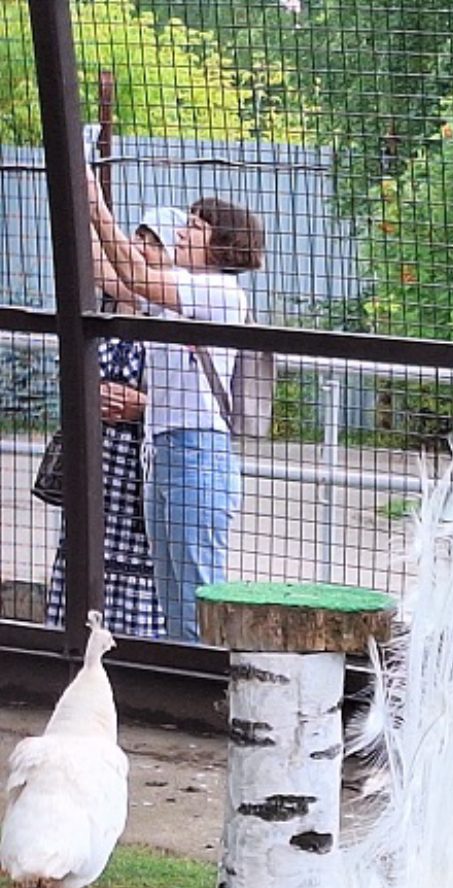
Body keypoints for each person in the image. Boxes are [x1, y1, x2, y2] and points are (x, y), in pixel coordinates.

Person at [84, 181, 265, 643]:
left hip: (198, 455)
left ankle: (201, 697)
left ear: (223, 245)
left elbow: (137, 276)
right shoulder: (177, 292)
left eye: (195, 227)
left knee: (194, 601)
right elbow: (115, 274)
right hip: (163, 452)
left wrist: (98, 208)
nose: (182, 233)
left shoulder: (221, 294)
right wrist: (80, 209)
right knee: (172, 598)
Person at [43, 212, 187, 641]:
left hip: (142, 466)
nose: (142, 248)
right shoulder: (100, 316)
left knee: (145, 560)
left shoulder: (171, 316)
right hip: (96, 462)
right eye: (138, 237)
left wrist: (141, 406)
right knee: (84, 551)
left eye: (155, 243)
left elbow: (189, 400)